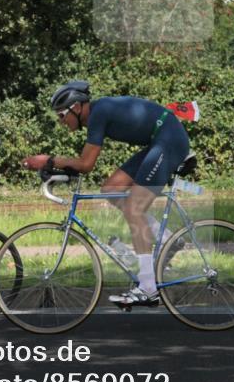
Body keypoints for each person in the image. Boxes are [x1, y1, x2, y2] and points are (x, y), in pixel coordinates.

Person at [23, 81, 190, 306]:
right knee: (111, 189)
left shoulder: (98, 114)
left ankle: (148, 287)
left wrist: (49, 160)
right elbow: (82, 164)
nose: (61, 121)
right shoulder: (97, 113)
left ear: (77, 107)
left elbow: (86, 164)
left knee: (134, 208)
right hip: (159, 139)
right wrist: (56, 166)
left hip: (169, 138)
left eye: (62, 114)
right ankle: (168, 238)